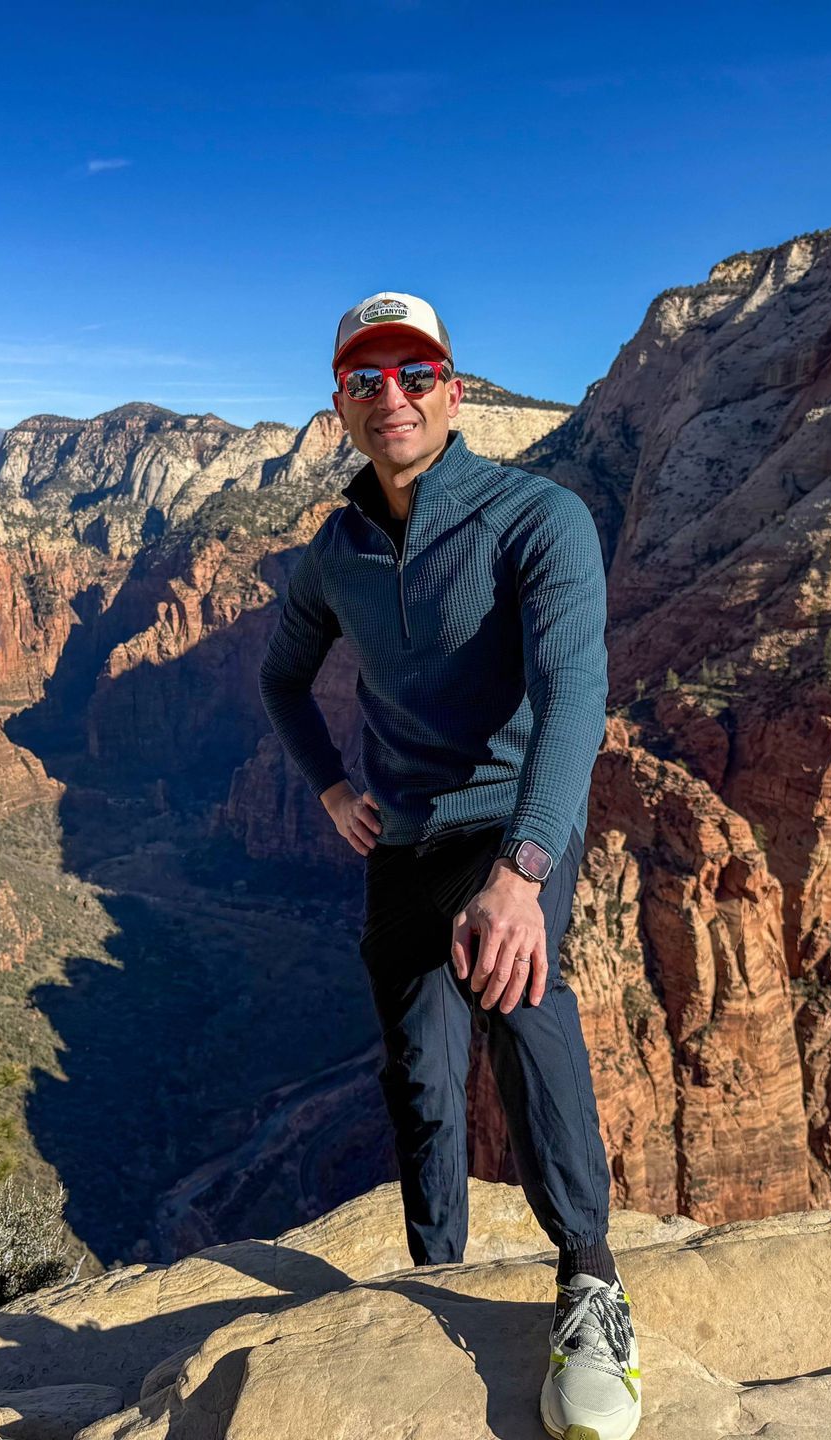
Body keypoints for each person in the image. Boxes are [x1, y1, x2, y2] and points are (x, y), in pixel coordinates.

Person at [257, 290, 641, 1439]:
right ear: (340, 407)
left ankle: (591, 1281)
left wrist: (523, 874)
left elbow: (580, 696)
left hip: (509, 822)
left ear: (454, 389)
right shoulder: (338, 550)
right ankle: (435, 1274)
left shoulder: (538, 517)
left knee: (523, 1011)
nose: (393, 395)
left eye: (414, 373)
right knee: (421, 1080)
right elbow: (283, 679)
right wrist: (331, 786)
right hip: (405, 840)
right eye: (367, 378)